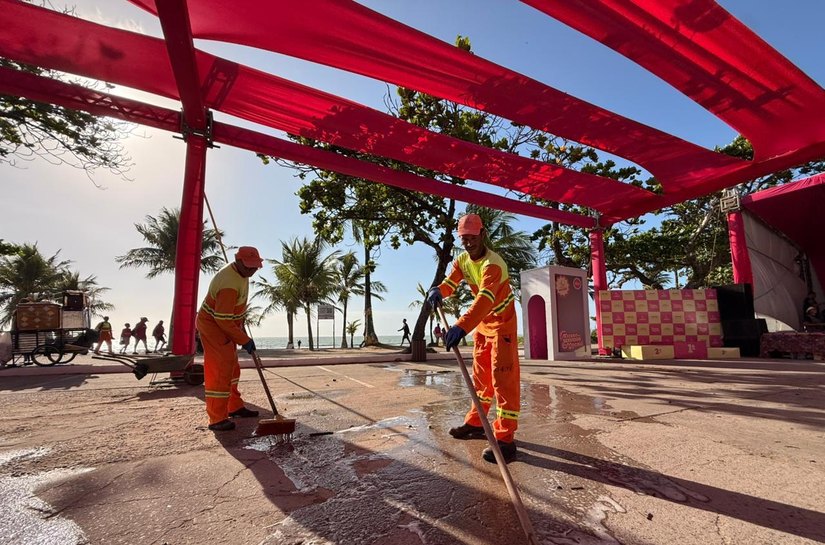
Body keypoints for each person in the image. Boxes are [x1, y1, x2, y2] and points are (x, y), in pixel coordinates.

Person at [426, 213, 520, 464]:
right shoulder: (462, 261)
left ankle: (506, 440)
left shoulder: (494, 264)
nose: (468, 243)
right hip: (483, 325)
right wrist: (439, 291)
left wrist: (460, 326)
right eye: (464, 239)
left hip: (502, 325)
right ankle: (476, 423)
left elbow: (485, 300)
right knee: (480, 380)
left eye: (472, 238)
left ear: (483, 234)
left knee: (503, 381)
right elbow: (450, 282)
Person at [197, 246, 264, 432]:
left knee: (233, 367)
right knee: (220, 370)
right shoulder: (228, 283)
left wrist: (240, 329)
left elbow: (232, 313)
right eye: (249, 266)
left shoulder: (242, 274)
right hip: (214, 326)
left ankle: (234, 407)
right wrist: (244, 339)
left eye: (255, 266)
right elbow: (222, 319)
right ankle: (217, 418)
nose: (252, 270)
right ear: (238, 261)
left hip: (227, 324)